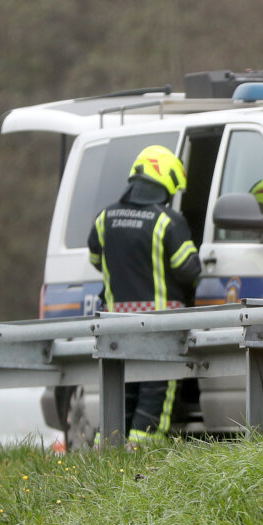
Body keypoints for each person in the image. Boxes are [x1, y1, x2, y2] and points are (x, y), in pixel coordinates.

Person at [87, 145, 202, 445]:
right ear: (165, 181)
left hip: (116, 329)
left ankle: (105, 458)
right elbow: (188, 269)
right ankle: (142, 459)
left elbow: (96, 260)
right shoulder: (167, 221)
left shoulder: (104, 218)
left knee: (119, 394)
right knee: (154, 398)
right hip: (160, 329)